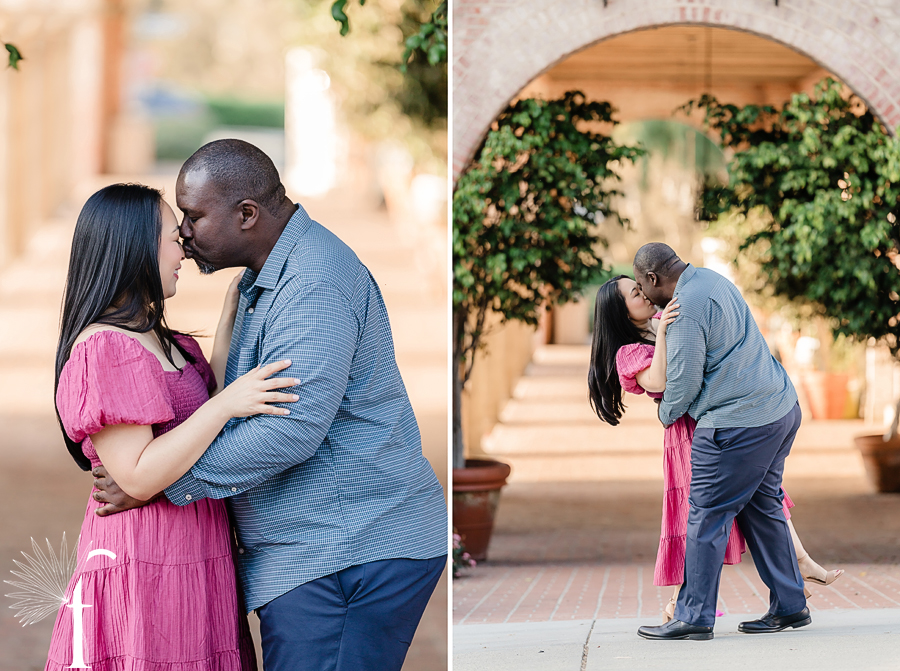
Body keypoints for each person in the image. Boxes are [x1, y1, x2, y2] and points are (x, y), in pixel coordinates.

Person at [92, 139, 448, 671]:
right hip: (318, 552)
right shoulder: (268, 275)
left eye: (192, 217)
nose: (183, 236)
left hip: (347, 550)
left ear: (246, 214)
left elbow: (291, 429)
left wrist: (156, 481)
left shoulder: (311, 283)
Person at [49, 183, 300, 669]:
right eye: (171, 235)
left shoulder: (168, 341)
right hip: (144, 560)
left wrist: (233, 308)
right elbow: (137, 475)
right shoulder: (105, 348)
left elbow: (208, 402)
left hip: (197, 554)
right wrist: (226, 404)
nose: (183, 244)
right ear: (135, 248)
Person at [588, 274, 843, 623]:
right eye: (635, 292)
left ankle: (777, 592)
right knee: (702, 516)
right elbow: (660, 381)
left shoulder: (670, 317)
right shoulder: (628, 353)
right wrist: (662, 332)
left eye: (641, 285)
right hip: (688, 436)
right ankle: (687, 605)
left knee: (756, 500)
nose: (645, 293)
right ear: (620, 310)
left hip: (723, 422)